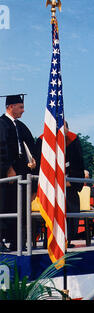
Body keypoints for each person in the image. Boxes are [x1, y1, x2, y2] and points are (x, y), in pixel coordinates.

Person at [36, 121, 85, 248]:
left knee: (72, 208)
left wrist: (71, 181)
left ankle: (67, 239)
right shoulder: (42, 140)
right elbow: (40, 163)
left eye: (65, 129)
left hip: (69, 184)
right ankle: (49, 240)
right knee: (50, 211)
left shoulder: (73, 139)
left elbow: (78, 163)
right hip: (50, 185)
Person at [0, 94, 37, 251]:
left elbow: (30, 145)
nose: (23, 110)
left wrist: (33, 159)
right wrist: (7, 168)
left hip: (21, 171)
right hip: (6, 172)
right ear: (10, 107)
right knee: (3, 206)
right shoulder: (1, 124)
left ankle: (17, 241)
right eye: (20, 107)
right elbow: (1, 147)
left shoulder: (20, 126)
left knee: (20, 206)